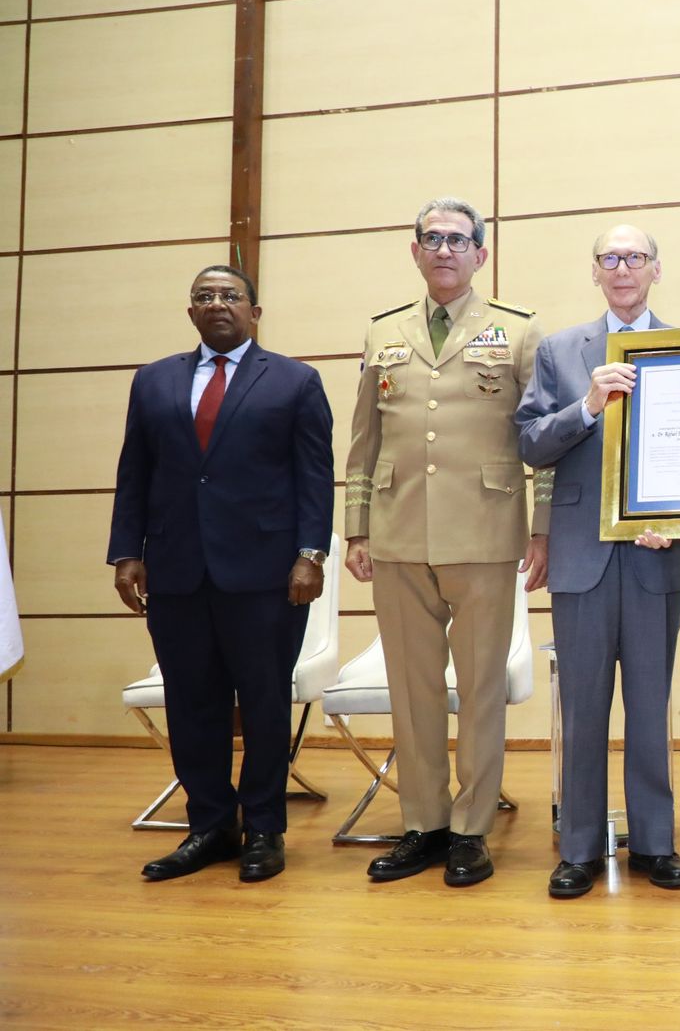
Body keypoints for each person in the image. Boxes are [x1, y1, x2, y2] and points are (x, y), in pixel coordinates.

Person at [345, 197, 549, 888]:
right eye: (431, 238)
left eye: (458, 240)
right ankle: (423, 824)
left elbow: (542, 441)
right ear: (415, 250)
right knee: (413, 690)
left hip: (487, 533)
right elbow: (364, 441)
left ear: (480, 255)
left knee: (482, 690)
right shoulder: (384, 333)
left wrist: (542, 529)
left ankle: (470, 830)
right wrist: (357, 527)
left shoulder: (518, 332)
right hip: (400, 532)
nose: (444, 250)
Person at [110, 264, 334, 883]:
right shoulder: (153, 382)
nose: (217, 304)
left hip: (267, 575)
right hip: (177, 571)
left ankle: (263, 826)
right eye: (204, 296)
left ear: (254, 312)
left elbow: (315, 477)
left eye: (230, 296)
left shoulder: (294, 381)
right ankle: (209, 824)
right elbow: (135, 473)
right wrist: (127, 551)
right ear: (190, 313)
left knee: (264, 703)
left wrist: (310, 556)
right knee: (191, 704)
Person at [516, 224, 680, 899]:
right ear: (595, 271)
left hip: (658, 558)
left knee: (651, 705)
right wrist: (587, 405)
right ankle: (580, 847)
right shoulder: (561, 351)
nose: (623, 268)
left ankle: (656, 842)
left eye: (636, 257)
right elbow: (531, 443)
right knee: (584, 708)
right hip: (580, 556)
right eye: (610, 258)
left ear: (657, 268)